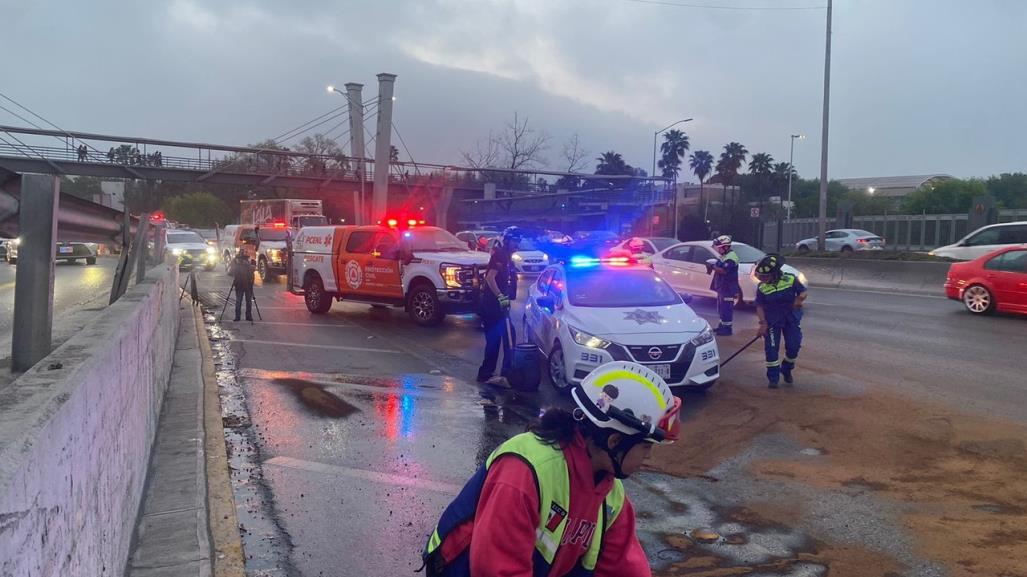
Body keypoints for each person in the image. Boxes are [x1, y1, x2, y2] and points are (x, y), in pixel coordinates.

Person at [423, 361, 682, 577]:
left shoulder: (610, 496)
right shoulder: (526, 471)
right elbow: (497, 568)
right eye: (646, 447)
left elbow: (624, 569)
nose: (649, 458)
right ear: (614, 442)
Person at [754, 254, 807, 389]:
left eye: (765, 277)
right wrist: (762, 323)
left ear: (775, 274)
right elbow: (759, 306)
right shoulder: (762, 287)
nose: (762, 279)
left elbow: (803, 292)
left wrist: (799, 300)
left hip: (791, 318)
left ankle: (787, 368)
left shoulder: (790, 279)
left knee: (794, 346)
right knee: (771, 349)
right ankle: (773, 378)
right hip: (772, 321)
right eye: (760, 277)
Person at [476, 226, 520, 385]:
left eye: (519, 242)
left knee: (506, 340)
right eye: (515, 241)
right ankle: (492, 375)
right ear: (507, 240)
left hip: (500, 307)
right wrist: (500, 296)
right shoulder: (499, 255)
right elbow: (490, 278)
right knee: (500, 341)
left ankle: (497, 374)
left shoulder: (507, 256)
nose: (517, 245)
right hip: (492, 307)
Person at [708, 235, 740, 336]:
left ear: (725, 247)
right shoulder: (724, 256)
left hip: (728, 288)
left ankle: (727, 329)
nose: (717, 249)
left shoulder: (731, 257)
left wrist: (712, 267)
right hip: (722, 287)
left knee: (726, 309)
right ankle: (722, 326)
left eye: (718, 247)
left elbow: (724, 271)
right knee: (721, 308)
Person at [228, 249, 256, 321]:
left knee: (239, 300)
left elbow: (230, 272)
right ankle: (248, 316)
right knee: (247, 301)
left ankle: (238, 317)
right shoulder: (245, 261)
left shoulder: (237, 261)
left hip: (241, 283)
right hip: (245, 283)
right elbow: (253, 269)